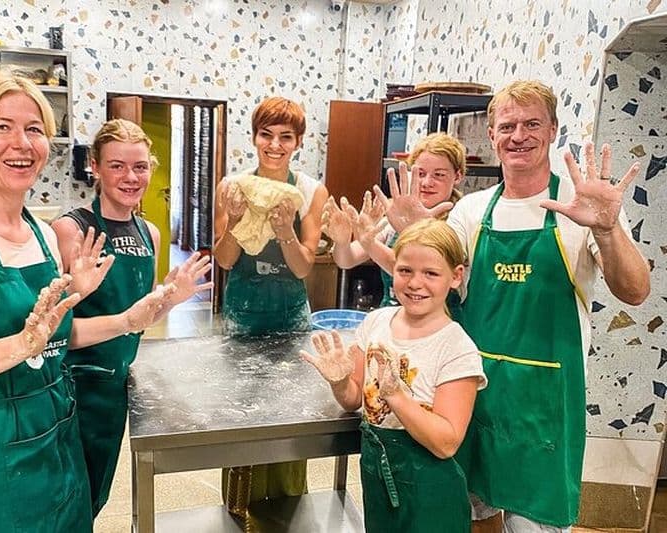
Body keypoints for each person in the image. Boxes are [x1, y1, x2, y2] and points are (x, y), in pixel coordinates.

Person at [0, 68, 203, 533]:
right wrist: (18, 346)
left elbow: (55, 337)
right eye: (1, 127)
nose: (22, 143)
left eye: (34, 129)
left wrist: (130, 318)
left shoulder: (39, 233)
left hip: (57, 438)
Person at [374, 80, 651, 532]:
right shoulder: (471, 211)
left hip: (542, 405)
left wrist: (606, 228)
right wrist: (410, 234)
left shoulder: (582, 205)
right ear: (492, 133)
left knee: (532, 524)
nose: (518, 135)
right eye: (507, 125)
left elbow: (636, 291)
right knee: (472, 514)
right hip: (471, 393)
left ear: (553, 129)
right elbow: (427, 285)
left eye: (532, 123)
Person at [52, 118, 213, 517]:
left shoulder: (150, 233)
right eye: (117, 166)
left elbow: (141, 314)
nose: (130, 177)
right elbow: (53, 329)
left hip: (119, 382)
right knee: (68, 496)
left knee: (96, 491)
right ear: (95, 166)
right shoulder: (70, 229)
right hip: (75, 386)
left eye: (140, 167)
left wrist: (173, 299)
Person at [301, 218, 486, 533]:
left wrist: (397, 397)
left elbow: (446, 443)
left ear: (455, 277)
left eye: (431, 273)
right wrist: (340, 382)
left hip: (430, 494)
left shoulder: (456, 348)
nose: (415, 283)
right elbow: (353, 399)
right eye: (405, 271)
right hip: (379, 481)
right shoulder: (377, 323)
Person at [212, 96, 327, 507]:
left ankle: (288, 505)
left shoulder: (311, 191)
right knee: (241, 414)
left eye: (285, 137)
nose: (274, 145)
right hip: (243, 313)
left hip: (290, 315)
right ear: (254, 137)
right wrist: (238, 221)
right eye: (266, 135)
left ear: (298, 142)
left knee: (291, 414)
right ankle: (238, 508)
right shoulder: (232, 187)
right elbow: (224, 259)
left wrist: (285, 233)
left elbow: (302, 267)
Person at [324, 132, 466, 307]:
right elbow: (346, 260)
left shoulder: (460, 219)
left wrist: (370, 244)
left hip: (433, 326)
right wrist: (342, 242)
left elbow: (419, 278)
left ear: (458, 176)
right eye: (420, 173)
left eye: (439, 175)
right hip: (392, 321)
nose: (427, 182)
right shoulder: (397, 214)